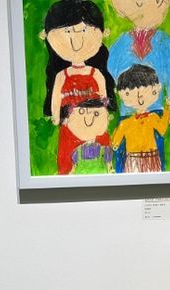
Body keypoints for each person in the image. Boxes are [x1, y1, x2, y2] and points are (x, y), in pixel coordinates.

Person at [40, 0, 117, 174]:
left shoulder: (96, 74)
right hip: (70, 130)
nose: (76, 39)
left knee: (101, 160)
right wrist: (57, 117)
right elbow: (56, 99)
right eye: (67, 31)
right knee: (67, 165)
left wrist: (102, 118)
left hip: (95, 128)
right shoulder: (62, 76)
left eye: (83, 30)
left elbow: (104, 99)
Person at [111, 64, 170, 173]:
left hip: (152, 157)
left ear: (157, 88)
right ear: (120, 94)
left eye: (145, 91)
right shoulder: (125, 123)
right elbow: (115, 143)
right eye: (129, 93)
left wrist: (167, 109)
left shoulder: (152, 117)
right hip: (133, 159)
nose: (140, 97)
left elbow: (162, 130)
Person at [63, 98, 113, 174]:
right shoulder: (77, 152)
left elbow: (110, 169)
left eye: (96, 114)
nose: (88, 120)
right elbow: (73, 171)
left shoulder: (105, 151)